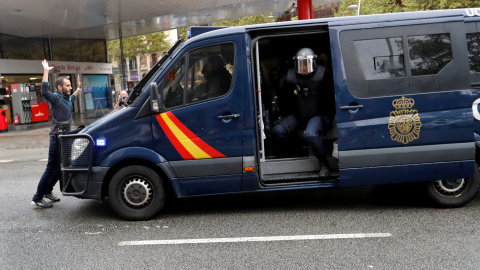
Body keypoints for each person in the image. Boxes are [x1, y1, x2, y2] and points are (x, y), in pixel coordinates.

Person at [271, 48, 335, 177]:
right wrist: (275, 103)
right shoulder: (290, 76)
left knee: (310, 134)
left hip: (318, 114)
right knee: (278, 131)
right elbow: (276, 88)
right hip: (299, 115)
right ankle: (295, 151)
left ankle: (324, 164)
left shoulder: (324, 74)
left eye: (307, 63)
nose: (305, 67)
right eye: (302, 64)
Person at [31, 60, 82, 208]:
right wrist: (46, 71)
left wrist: (78, 88)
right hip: (57, 138)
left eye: (70, 85)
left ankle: (47, 191)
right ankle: (37, 197)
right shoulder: (56, 98)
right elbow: (44, 91)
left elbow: (73, 97)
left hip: (64, 139)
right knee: (51, 169)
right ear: (60, 87)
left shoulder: (66, 99)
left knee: (60, 168)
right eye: (68, 85)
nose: (70, 87)